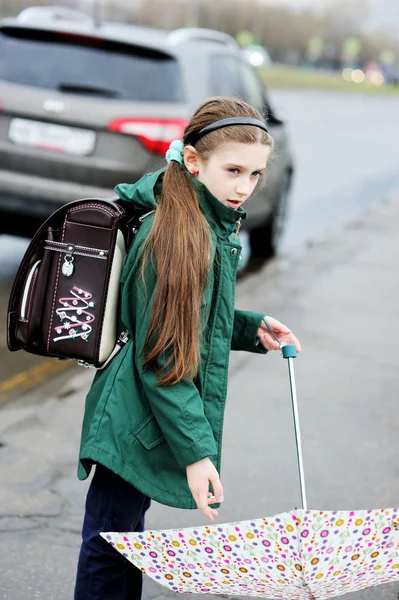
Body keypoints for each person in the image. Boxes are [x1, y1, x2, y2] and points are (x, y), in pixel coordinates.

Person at [74, 96, 301, 599]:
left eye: (256, 174)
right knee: (111, 545)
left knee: (120, 537)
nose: (245, 186)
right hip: (135, 415)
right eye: (234, 169)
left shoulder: (207, 221)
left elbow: (188, 319)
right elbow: (164, 357)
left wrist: (248, 328)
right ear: (194, 162)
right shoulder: (179, 236)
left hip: (145, 413)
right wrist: (197, 455)